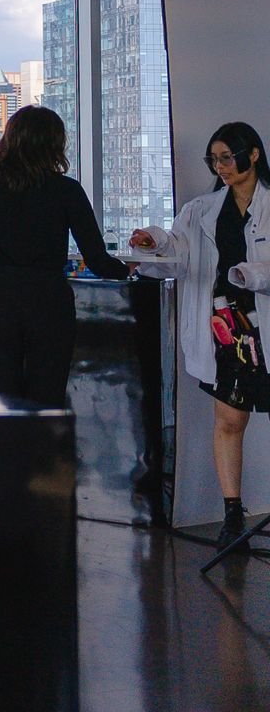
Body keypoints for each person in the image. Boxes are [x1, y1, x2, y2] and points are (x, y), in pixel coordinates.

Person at [131, 121, 270, 551]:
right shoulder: (201, 210)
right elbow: (177, 255)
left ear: (253, 155)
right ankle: (232, 515)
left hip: (263, 323)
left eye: (227, 157)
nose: (220, 166)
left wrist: (252, 274)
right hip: (225, 332)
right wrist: (151, 243)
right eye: (214, 159)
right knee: (229, 420)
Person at [0, 105, 129, 409]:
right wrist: (128, 269)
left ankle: (8, 456)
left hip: (0, 298)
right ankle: (43, 456)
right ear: (54, 144)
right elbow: (97, 259)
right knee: (46, 397)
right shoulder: (65, 190)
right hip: (48, 300)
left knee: (2, 395)